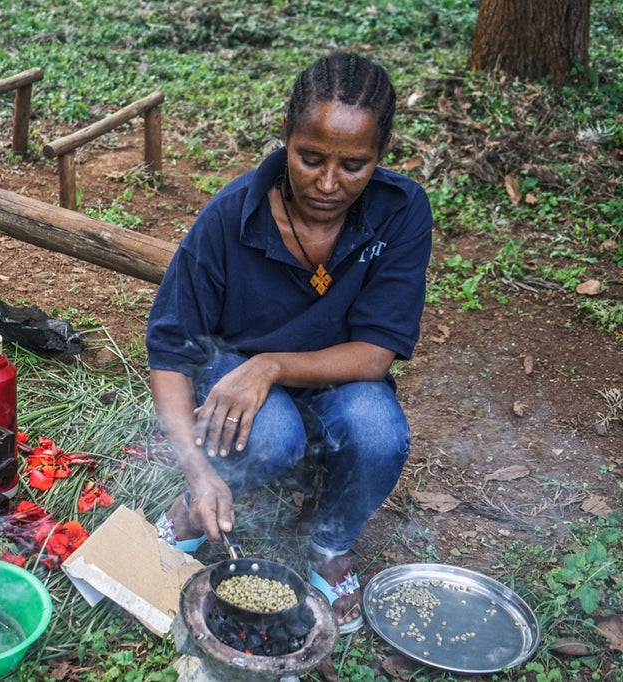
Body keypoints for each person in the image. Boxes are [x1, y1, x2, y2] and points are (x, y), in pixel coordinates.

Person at [146, 51, 432, 634]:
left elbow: (375, 353)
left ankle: (330, 546)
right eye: (310, 159)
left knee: (380, 432)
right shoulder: (231, 218)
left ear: (382, 155)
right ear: (286, 137)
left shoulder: (400, 213)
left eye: (354, 165)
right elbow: (172, 352)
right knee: (272, 433)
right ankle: (191, 509)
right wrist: (198, 470)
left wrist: (271, 365)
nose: (328, 184)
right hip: (233, 377)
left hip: (340, 380)